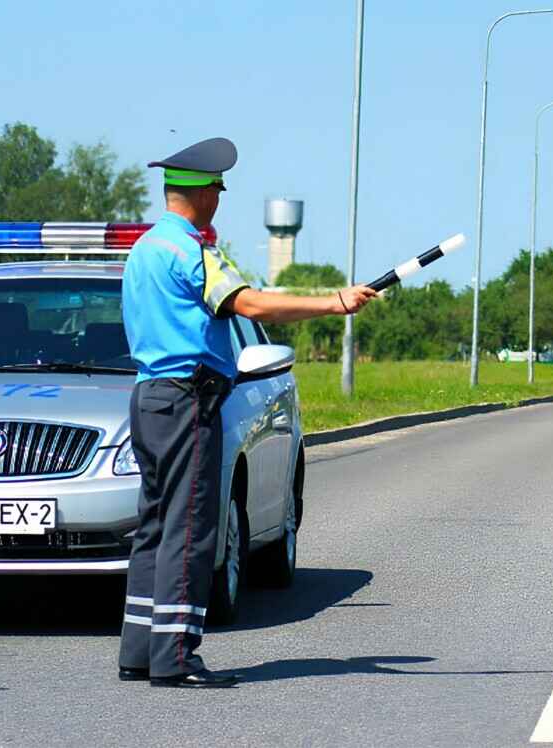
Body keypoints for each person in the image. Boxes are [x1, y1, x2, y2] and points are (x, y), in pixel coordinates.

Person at [117, 137, 377, 688]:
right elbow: (250, 304)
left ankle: (140, 648)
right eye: (217, 188)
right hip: (189, 398)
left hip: (149, 397)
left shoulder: (144, 248)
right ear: (205, 194)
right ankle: (177, 657)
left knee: (156, 525)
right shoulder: (191, 250)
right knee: (189, 529)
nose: (219, 198)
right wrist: (333, 302)